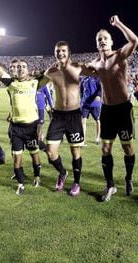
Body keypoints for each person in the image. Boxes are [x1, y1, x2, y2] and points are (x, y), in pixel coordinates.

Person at [84, 15, 138, 201]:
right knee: (105, 149)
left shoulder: (120, 55)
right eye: (99, 39)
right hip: (107, 110)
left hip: (123, 109)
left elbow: (134, 40)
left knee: (127, 148)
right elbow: (79, 69)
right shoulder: (95, 64)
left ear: (111, 41)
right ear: (96, 44)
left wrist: (118, 24)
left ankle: (129, 177)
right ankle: (110, 186)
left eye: (105, 38)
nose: (102, 41)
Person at [0, 35, 44, 194]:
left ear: (28, 69)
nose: (20, 68)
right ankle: (21, 184)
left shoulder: (35, 82)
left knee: (35, 154)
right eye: (18, 66)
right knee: (17, 157)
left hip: (32, 127)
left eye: (23, 66)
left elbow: (52, 73)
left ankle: (37, 176)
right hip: (16, 128)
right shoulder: (11, 83)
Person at [43, 41, 85, 197]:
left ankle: (76, 183)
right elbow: (36, 84)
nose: (60, 53)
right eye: (58, 51)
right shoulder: (51, 71)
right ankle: (62, 173)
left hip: (74, 115)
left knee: (75, 151)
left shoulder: (77, 67)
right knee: (50, 151)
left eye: (63, 51)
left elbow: (98, 71)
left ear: (69, 52)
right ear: (55, 53)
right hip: (58, 115)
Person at [79, 75, 102, 145]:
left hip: (95, 104)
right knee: (83, 121)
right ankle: (83, 140)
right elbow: (81, 90)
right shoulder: (83, 80)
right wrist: (82, 100)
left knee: (98, 120)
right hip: (85, 104)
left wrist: (98, 95)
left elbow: (100, 88)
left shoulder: (97, 78)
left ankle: (97, 137)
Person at [36, 83, 54, 150]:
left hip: (40, 107)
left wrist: (52, 106)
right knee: (34, 124)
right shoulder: (32, 83)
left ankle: (39, 139)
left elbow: (48, 96)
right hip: (32, 108)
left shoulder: (44, 85)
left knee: (40, 124)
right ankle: (39, 138)